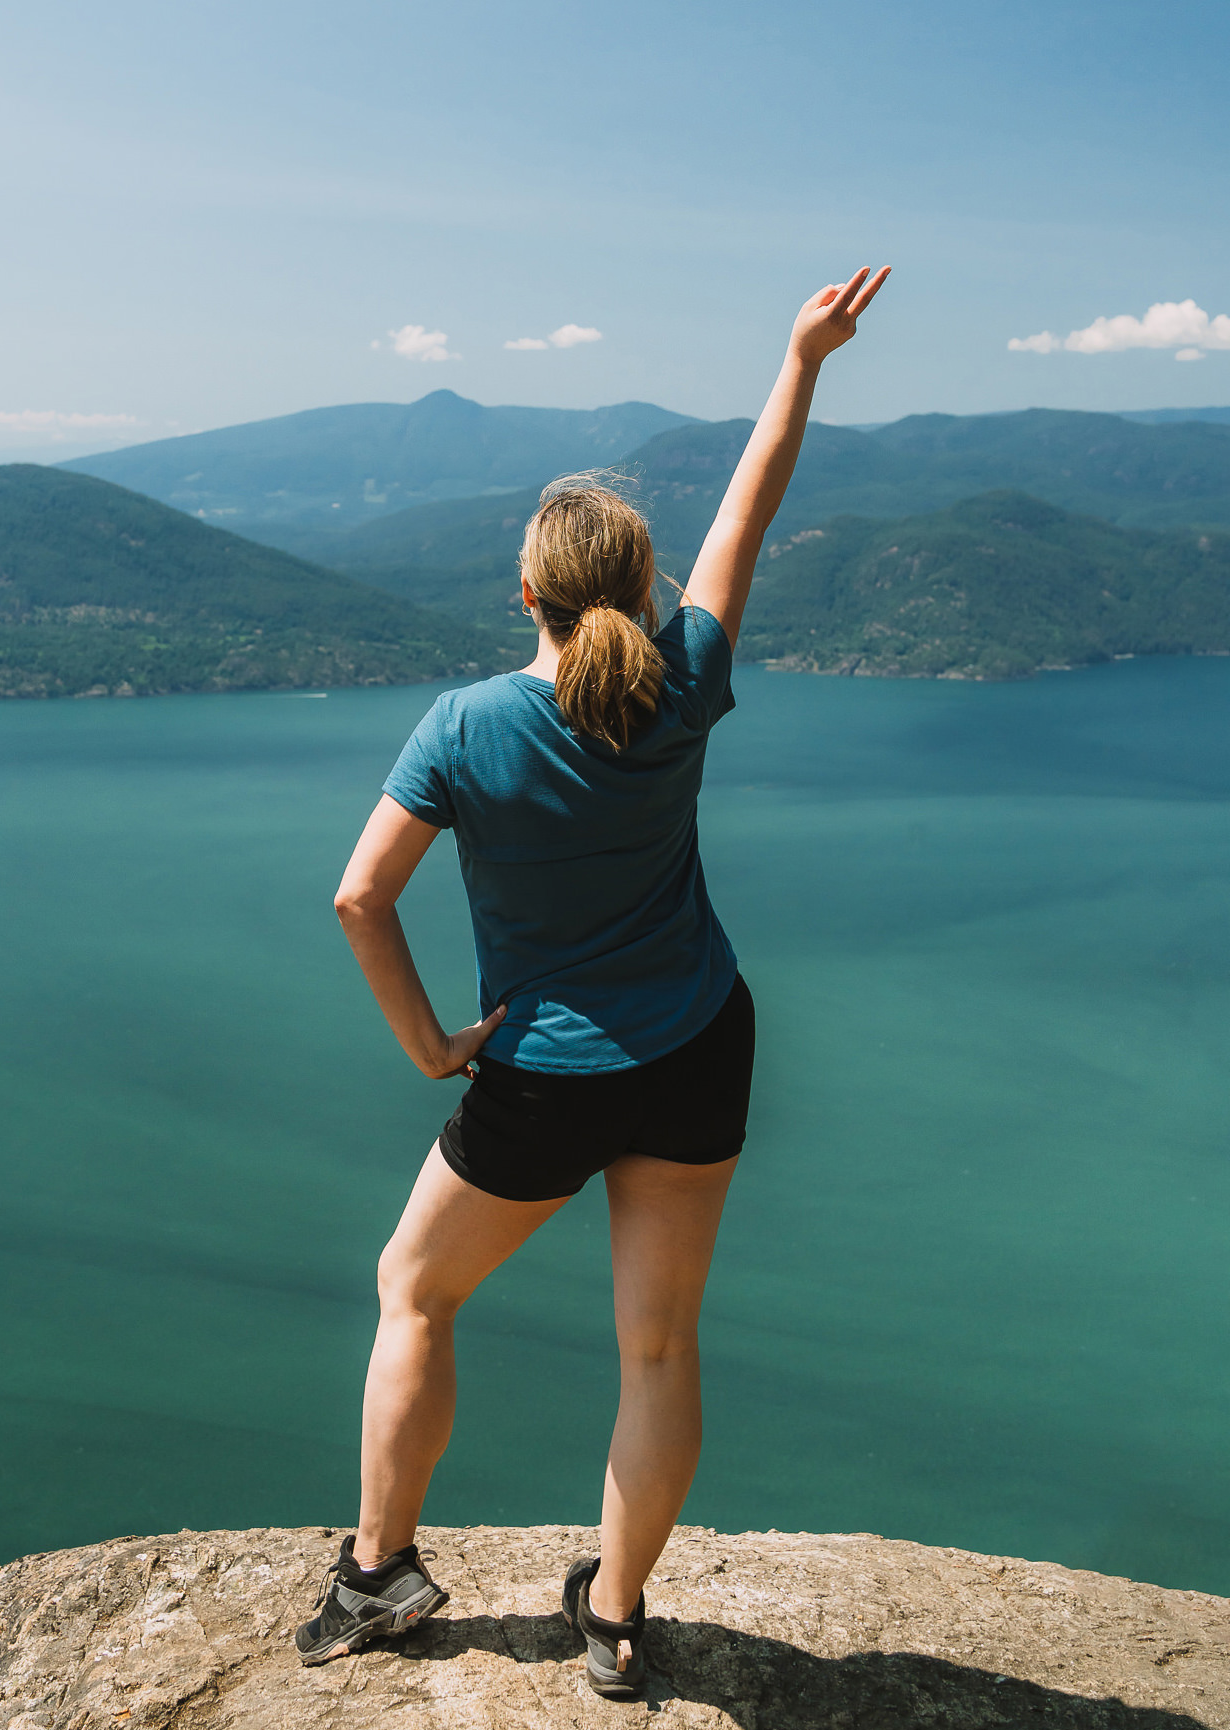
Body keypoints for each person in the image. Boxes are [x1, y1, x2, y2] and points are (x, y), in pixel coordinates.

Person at [295, 266, 889, 1697]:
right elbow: (752, 501)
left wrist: (434, 1043)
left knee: (414, 1291)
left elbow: (360, 895)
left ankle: (381, 1574)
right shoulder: (686, 672)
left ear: (525, 593)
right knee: (660, 1341)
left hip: (543, 1071)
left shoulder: (464, 726)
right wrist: (802, 357)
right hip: (696, 1043)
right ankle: (616, 1619)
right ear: (638, 586)